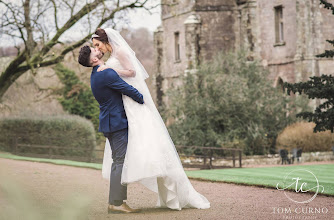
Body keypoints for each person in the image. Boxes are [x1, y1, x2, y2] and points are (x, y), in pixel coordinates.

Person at [92, 28, 210, 210]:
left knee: (137, 148)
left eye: (97, 44)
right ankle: (118, 200)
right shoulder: (107, 62)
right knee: (123, 156)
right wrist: (110, 70)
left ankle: (121, 200)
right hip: (123, 104)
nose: (97, 49)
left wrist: (114, 70)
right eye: (94, 47)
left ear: (105, 41)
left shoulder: (120, 52)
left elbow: (132, 72)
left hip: (130, 100)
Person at [78, 45, 144, 214]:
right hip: (116, 122)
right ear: (94, 59)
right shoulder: (106, 73)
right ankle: (116, 203)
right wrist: (143, 98)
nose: (97, 48)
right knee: (119, 162)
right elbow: (127, 89)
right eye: (94, 50)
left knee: (118, 161)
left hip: (110, 122)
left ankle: (116, 202)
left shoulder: (96, 74)